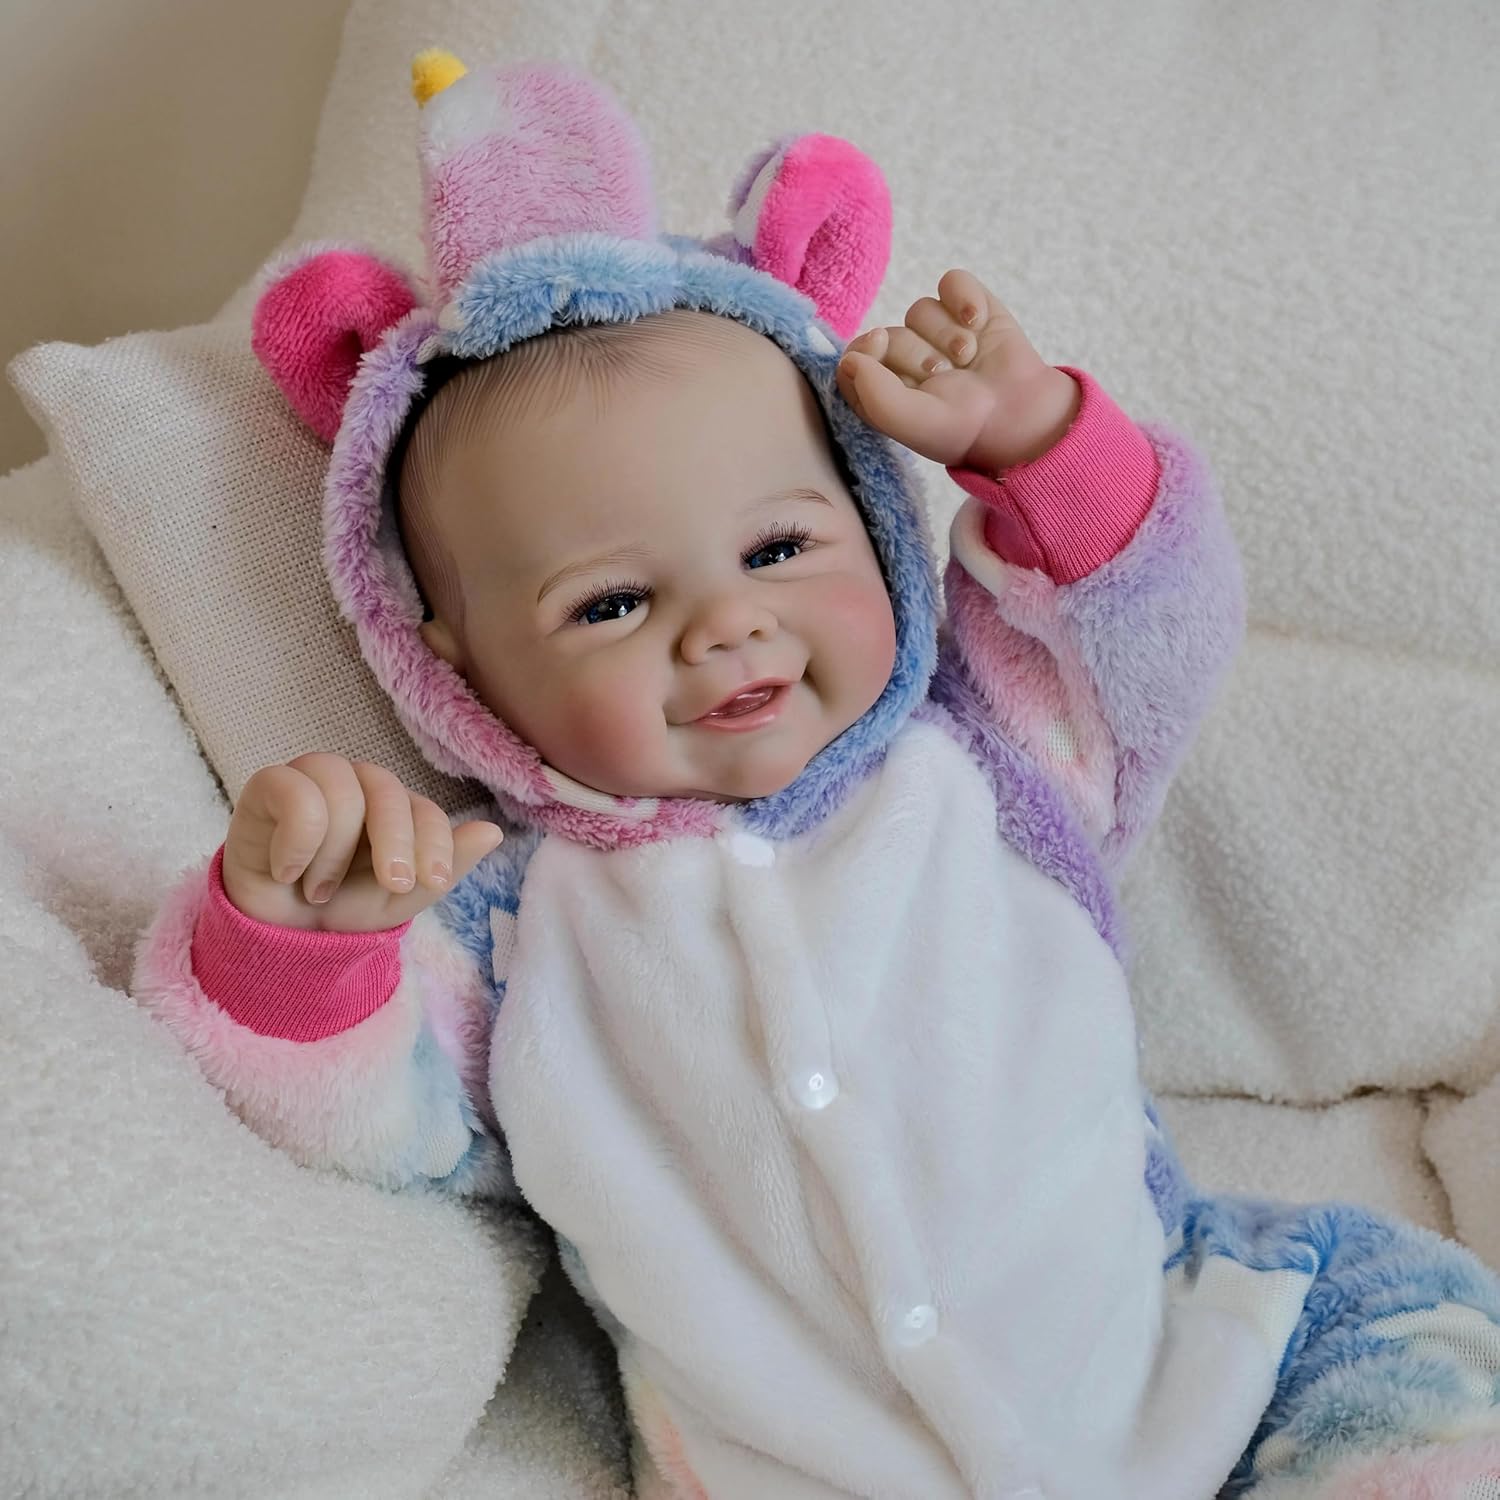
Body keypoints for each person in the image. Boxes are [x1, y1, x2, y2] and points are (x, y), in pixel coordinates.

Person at [132, 51, 1500, 1500]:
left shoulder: (985, 756)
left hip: (1180, 1366)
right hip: (794, 1470)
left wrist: (1039, 443)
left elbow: (1144, 627)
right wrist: (299, 937)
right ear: (453, 670)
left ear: (873, 519)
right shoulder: (512, 924)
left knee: (1410, 1353)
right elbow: (380, 1112)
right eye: (611, 605)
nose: (728, 626)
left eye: (780, 548)